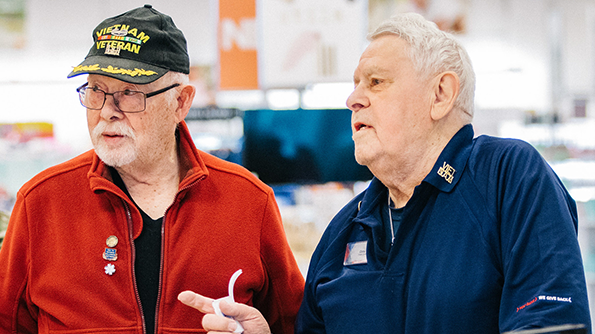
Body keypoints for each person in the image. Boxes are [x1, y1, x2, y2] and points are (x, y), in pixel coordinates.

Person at [179, 12, 592, 334]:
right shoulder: (346, 227)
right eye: (356, 84)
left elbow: (548, 322)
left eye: (376, 82)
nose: (353, 98)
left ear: (440, 94)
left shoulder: (508, 177)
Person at [0, 5, 304, 333]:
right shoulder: (41, 202)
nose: (107, 112)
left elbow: (296, 324)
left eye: (129, 93)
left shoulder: (247, 201)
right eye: (96, 91)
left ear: (180, 103)